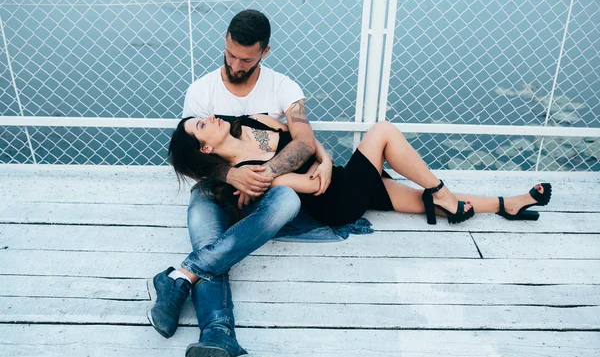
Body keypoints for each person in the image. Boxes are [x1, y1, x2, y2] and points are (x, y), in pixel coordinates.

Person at [147, 9, 333, 357]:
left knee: (289, 202)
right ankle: (218, 335)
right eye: (230, 54)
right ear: (226, 42)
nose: (235, 63)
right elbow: (190, 155)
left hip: (266, 193)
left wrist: (261, 176)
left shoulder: (285, 88)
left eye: (245, 58)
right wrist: (232, 173)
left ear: (265, 51)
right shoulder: (201, 92)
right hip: (213, 191)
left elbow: (302, 142)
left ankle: (179, 277)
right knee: (211, 240)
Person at [169, 113, 552, 228]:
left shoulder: (254, 121)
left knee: (419, 201)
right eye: (201, 126)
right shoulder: (249, 171)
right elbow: (313, 186)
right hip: (337, 203)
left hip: (344, 180)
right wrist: (321, 167)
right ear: (205, 147)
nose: (209, 118)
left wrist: (328, 159)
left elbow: (307, 140)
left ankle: (509, 203)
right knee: (383, 131)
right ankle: (442, 192)